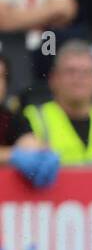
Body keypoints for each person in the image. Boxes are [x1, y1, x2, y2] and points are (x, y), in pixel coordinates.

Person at [23, 41, 92, 165]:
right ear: (53, 79)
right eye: (70, 71)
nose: (78, 78)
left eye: (86, 72)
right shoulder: (32, 118)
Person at [0, 54, 58, 187]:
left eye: (0, 77)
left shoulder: (10, 118)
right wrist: (12, 155)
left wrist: (40, 154)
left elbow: (29, 143)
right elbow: (17, 154)